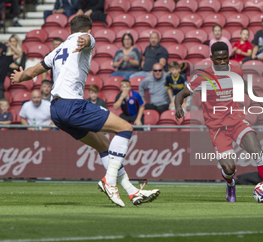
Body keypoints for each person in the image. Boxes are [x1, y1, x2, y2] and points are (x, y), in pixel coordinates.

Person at [11, 15, 159, 207]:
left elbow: (30, 73)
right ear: (88, 30)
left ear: (70, 31)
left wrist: (19, 76)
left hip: (55, 110)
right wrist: (87, 39)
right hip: (72, 105)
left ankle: (132, 192)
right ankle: (109, 181)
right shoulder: (88, 39)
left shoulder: (57, 50)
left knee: (104, 145)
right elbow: (88, 40)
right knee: (125, 128)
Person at [174, 42, 263, 203]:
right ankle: (230, 183)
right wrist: (178, 106)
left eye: (225, 58)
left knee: (258, 151)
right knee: (229, 169)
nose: (222, 62)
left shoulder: (235, 70)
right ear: (212, 58)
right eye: (219, 59)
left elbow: (243, 84)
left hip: (236, 121)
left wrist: (258, 100)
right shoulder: (202, 77)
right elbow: (180, 94)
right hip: (217, 128)